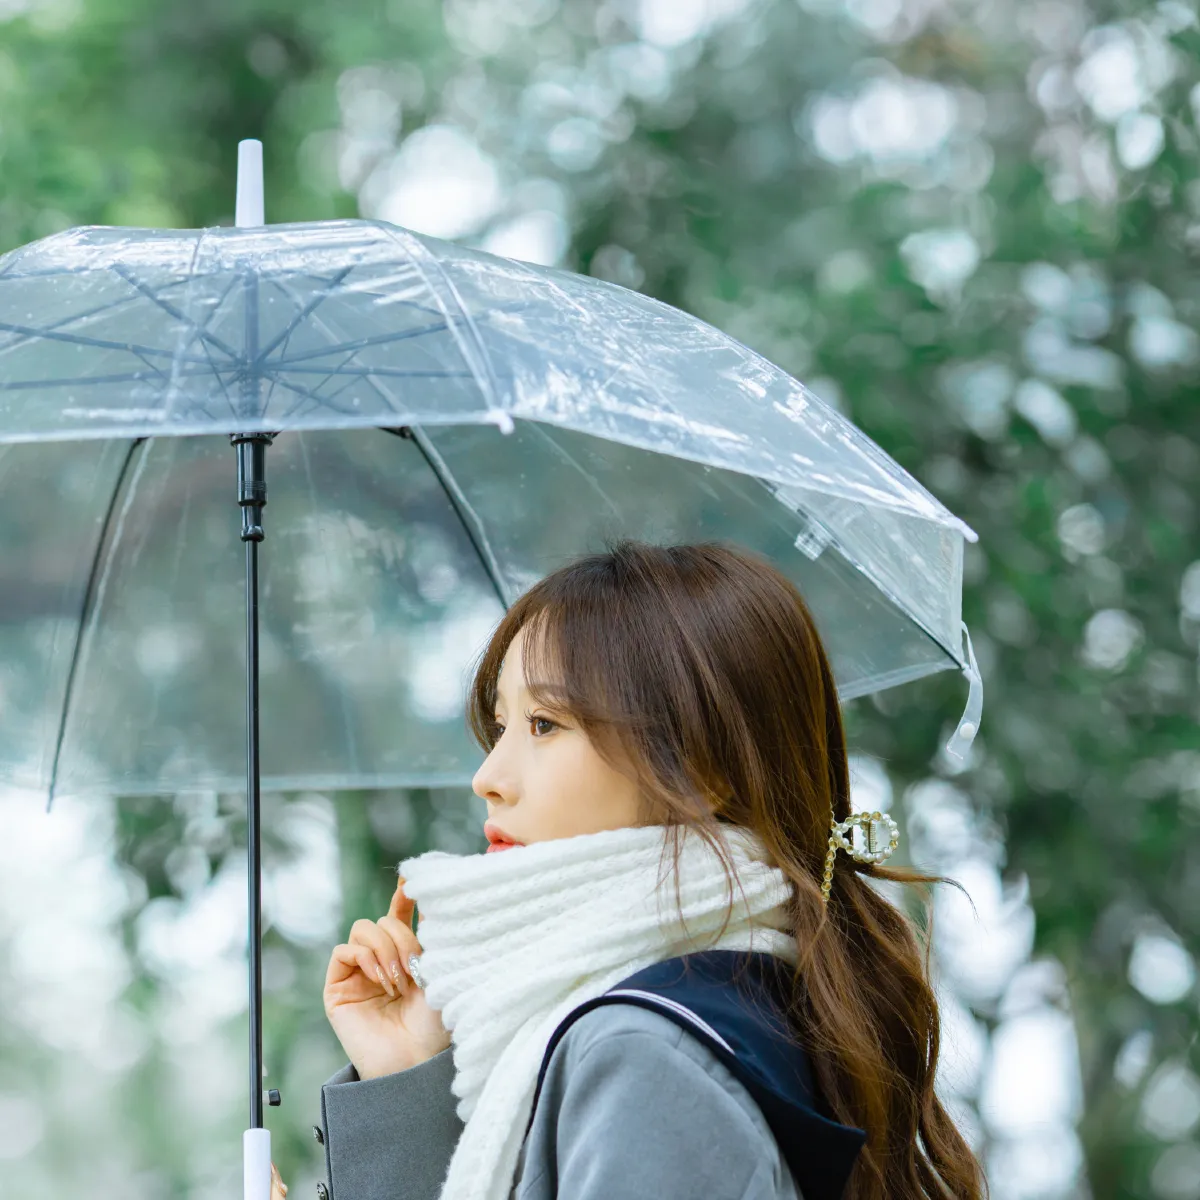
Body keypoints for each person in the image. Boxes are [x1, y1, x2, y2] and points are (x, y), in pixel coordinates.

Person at [275, 540, 985, 1200]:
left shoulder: (643, 1057)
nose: (488, 777)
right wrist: (404, 1078)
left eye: (545, 724)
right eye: (499, 727)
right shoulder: (743, 1011)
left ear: (702, 769)